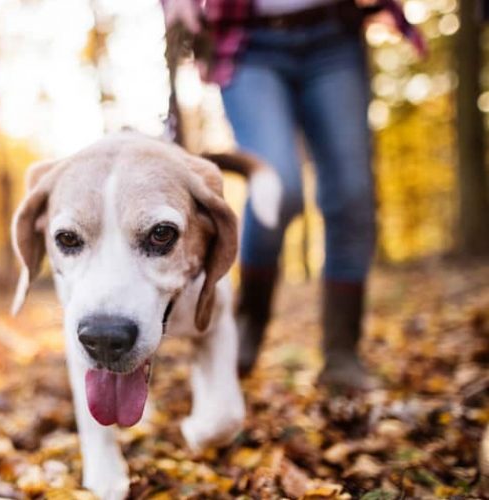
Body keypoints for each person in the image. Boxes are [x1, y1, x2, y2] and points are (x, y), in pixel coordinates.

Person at [162, 0, 423, 390]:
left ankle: (342, 353)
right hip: (248, 41)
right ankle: (249, 320)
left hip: (335, 35)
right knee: (278, 186)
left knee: (352, 197)